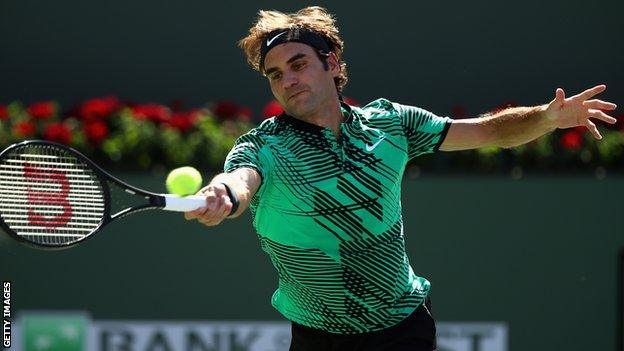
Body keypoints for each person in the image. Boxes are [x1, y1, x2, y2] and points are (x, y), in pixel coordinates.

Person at [184, 6, 618, 351]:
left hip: (402, 327)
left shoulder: (392, 124)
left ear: (331, 63)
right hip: (318, 335)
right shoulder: (265, 146)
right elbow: (240, 179)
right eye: (276, 75)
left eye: (298, 64)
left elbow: (488, 131)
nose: (288, 80)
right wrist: (223, 193)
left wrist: (546, 118)